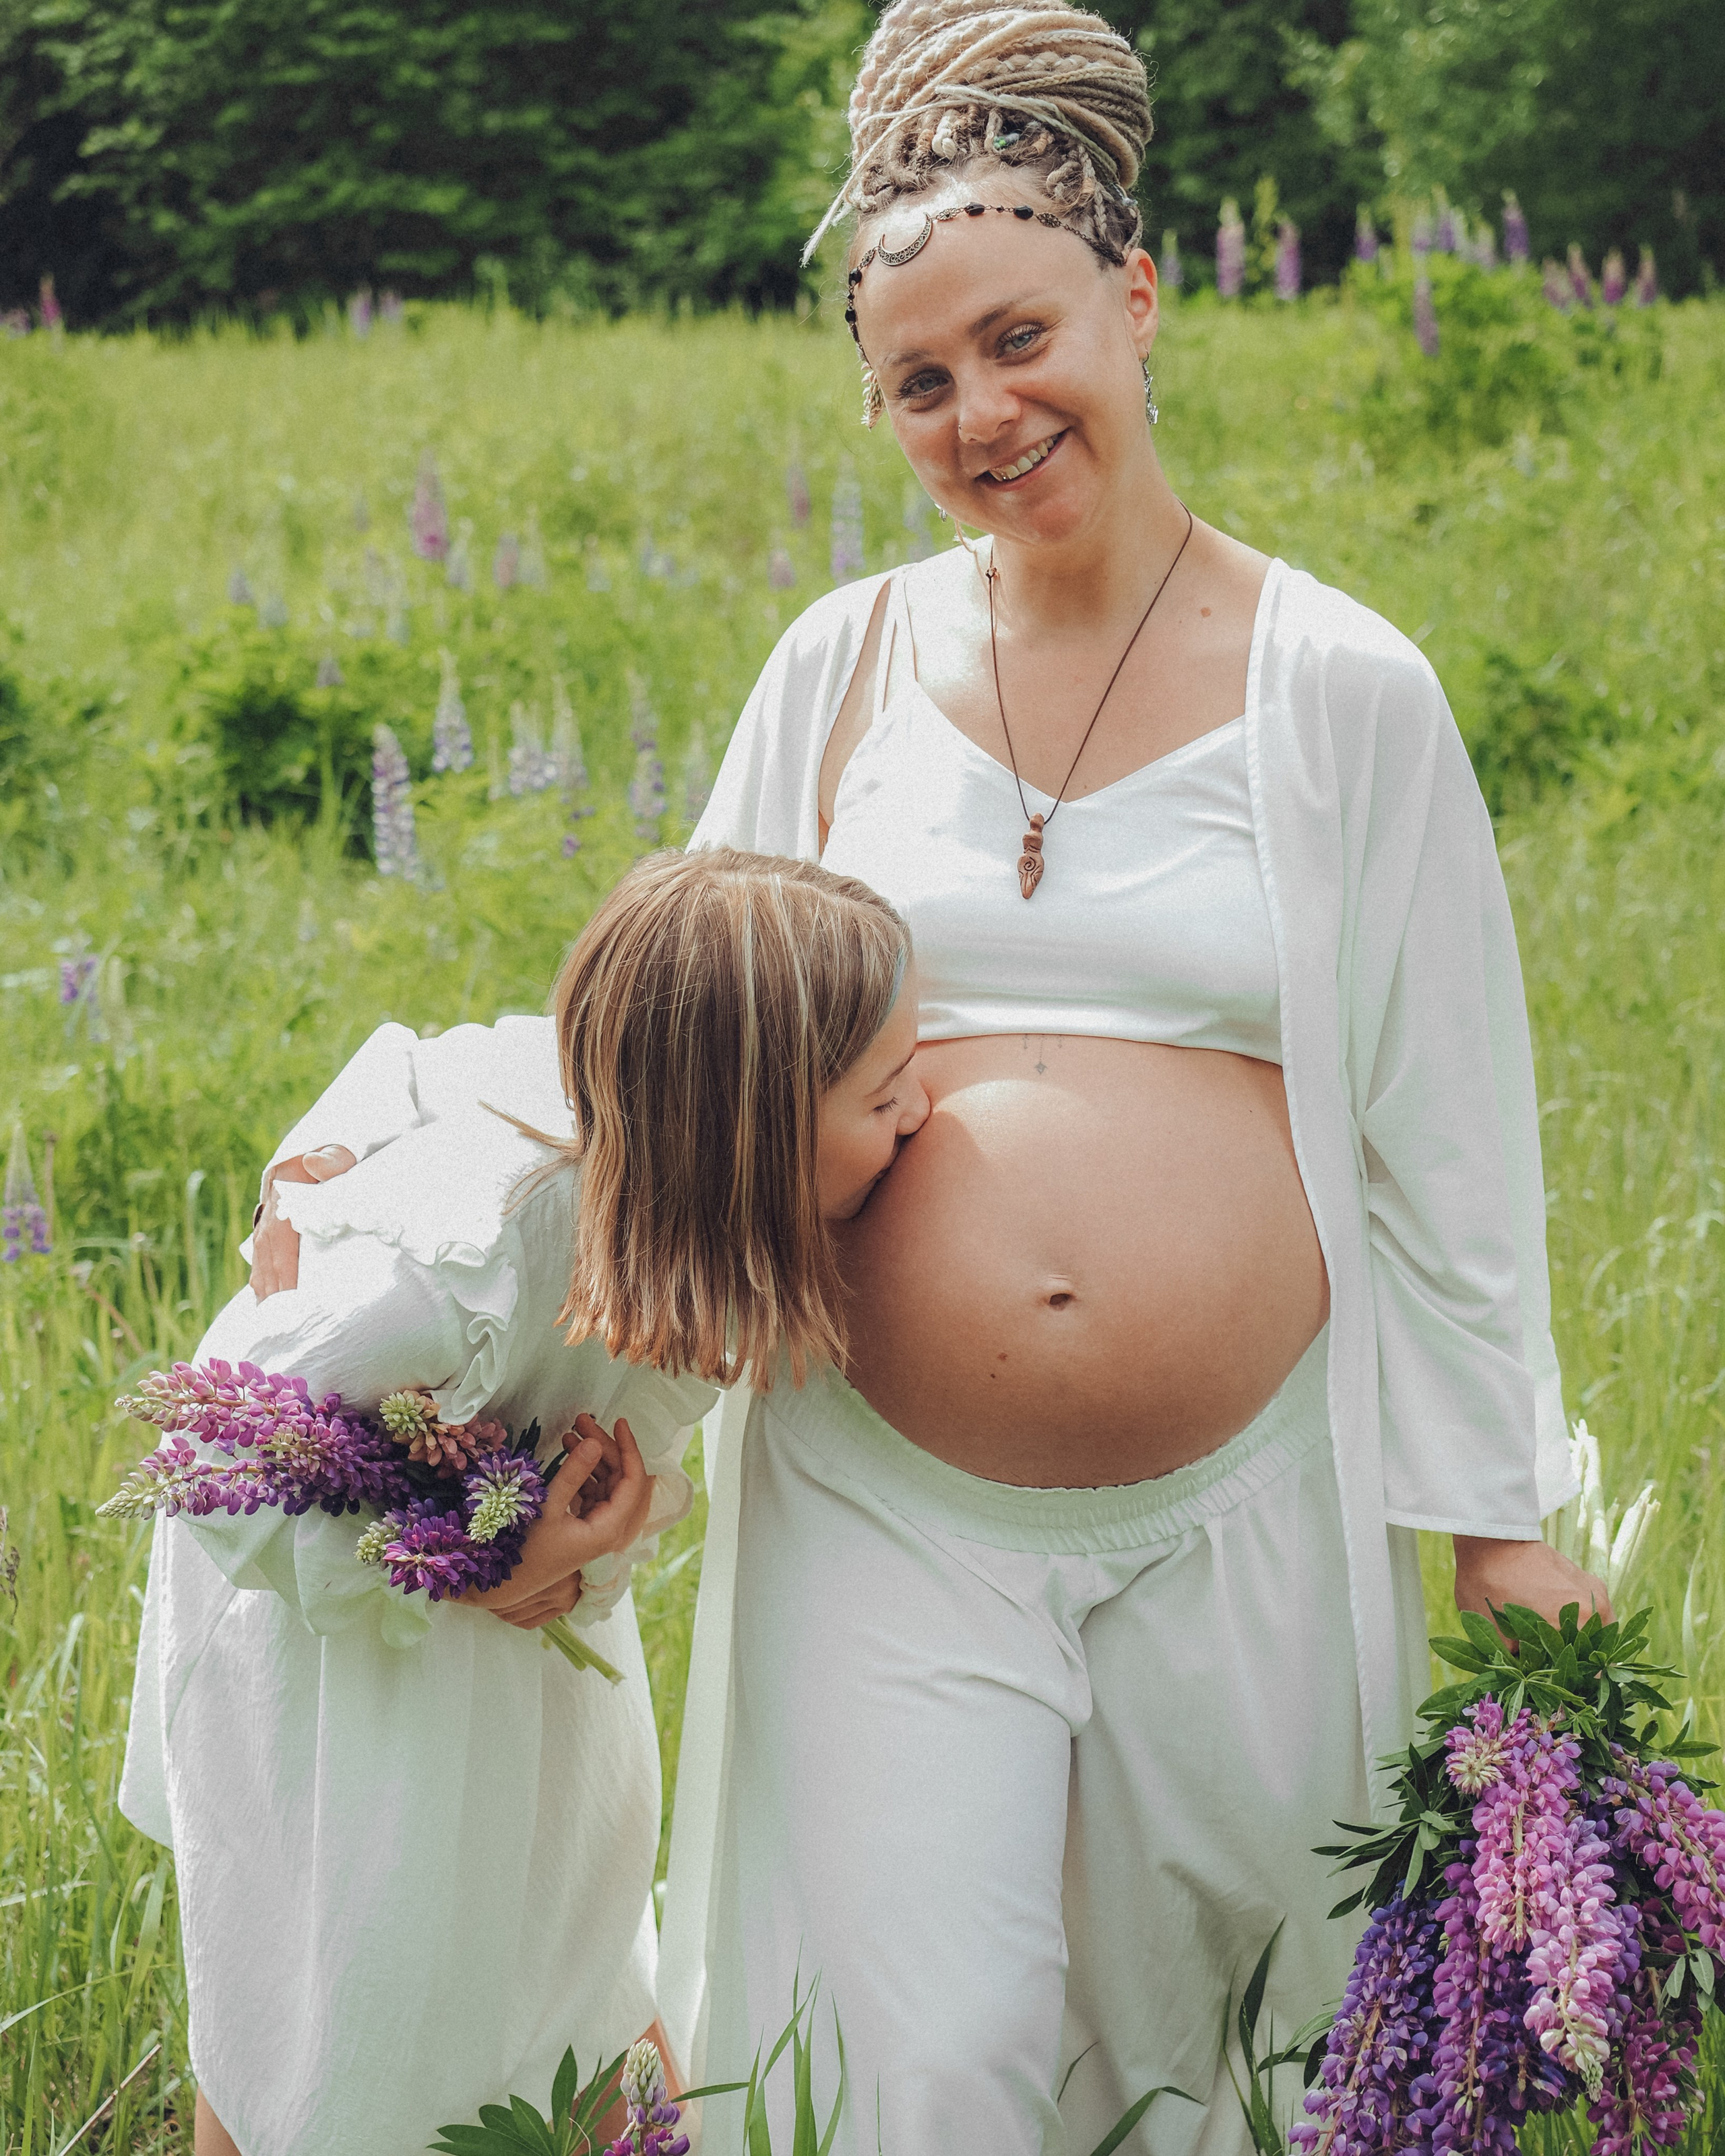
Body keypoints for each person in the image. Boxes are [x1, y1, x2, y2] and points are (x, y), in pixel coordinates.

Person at [644, 4, 1611, 2150]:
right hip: (890, 1501)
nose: (983, 412)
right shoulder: (838, 673)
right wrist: (564, 1431)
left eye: (1019, 336)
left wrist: (1495, 1529)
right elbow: (678, 1082)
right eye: (920, 380)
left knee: (1241, 2057)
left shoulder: (1342, 688)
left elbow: (1448, 1135)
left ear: (1140, 299)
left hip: (1245, 1505)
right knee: (924, 2068)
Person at [118, 850, 928, 2156]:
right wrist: (473, 1565)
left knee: (571, 1952)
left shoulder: (652, 1162)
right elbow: (218, 1468)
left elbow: (422, 1059)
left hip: (508, 1639)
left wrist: (541, 1552)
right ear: (751, 1128)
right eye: (884, 1091)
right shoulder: (462, 1263)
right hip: (340, 1657)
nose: (923, 1109)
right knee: (350, 2004)